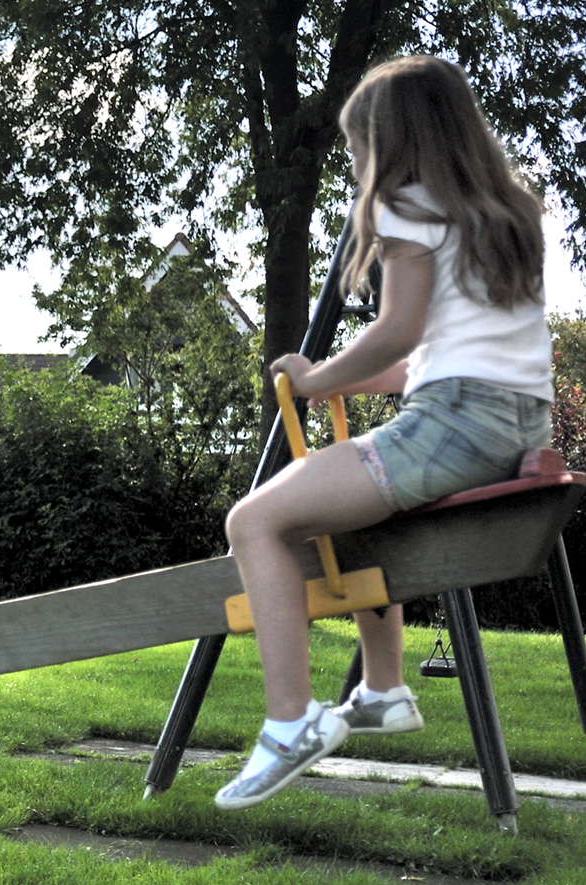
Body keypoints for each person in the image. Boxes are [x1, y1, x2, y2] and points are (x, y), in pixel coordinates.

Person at [217, 55, 552, 809]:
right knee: (352, 508)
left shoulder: (405, 204)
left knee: (257, 519)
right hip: (516, 419)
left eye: (356, 150)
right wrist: (347, 378)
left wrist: (315, 380)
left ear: (391, 143)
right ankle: (382, 689)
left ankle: (291, 721)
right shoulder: (508, 213)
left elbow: (397, 331)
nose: (356, 165)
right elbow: (439, 361)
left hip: (457, 422)